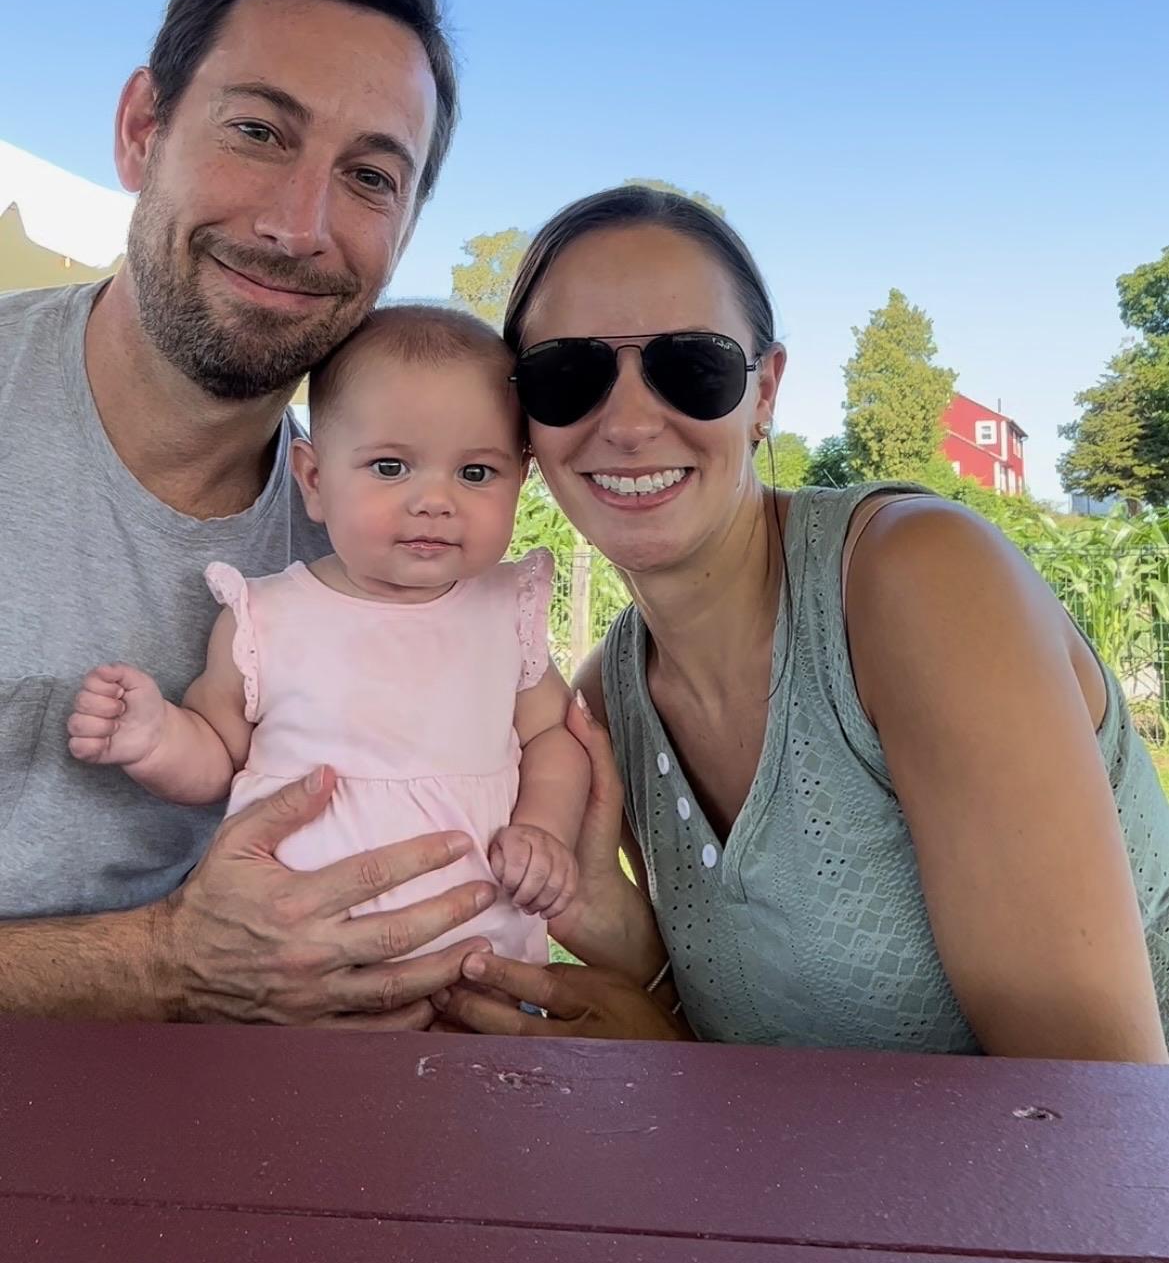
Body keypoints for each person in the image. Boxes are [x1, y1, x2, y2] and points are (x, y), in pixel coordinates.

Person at [434, 184, 1169, 1062]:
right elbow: (742, 1023)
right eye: (566, 374)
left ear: (764, 391)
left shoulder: (913, 579)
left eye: (693, 365)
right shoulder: (606, 707)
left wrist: (675, 1061)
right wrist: (619, 937)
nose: (626, 422)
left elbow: (1088, 1106)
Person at [0, 0, 502, 1027]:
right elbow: (203, 963)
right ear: (142, 130)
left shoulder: (382, 543)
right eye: (260, 131)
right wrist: (166, 963)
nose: (297, 224)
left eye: (368, 176)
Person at [69, 304, 589, 954]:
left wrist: (544, 828)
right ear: (314, 480)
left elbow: (552, 738)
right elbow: (218, 752)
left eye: (475, 473)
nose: (435, 500)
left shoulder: (504, 611)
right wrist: (154, 739)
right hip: (299, 965)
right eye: (391, 467)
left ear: (519, 480)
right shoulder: (266, 619)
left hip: (483, 958)